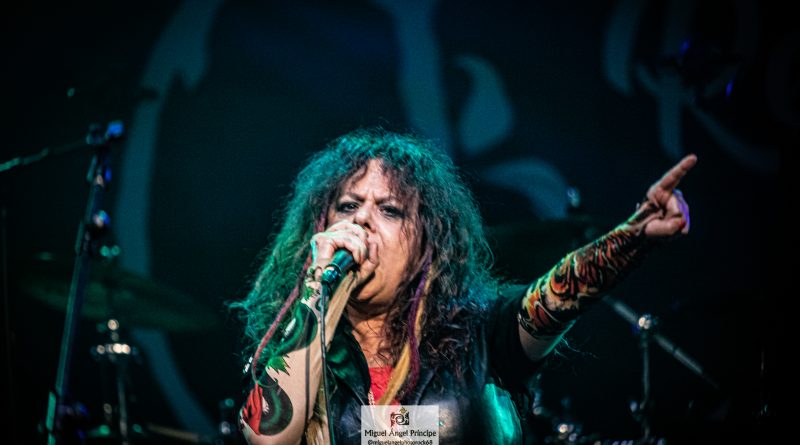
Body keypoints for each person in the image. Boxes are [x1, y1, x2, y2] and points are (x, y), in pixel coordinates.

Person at [229, 128, 696, 445]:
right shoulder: (302, 346)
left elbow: (558, 294)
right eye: (348, 206)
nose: (362, 220)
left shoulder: (483, 331)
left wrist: (631, 238)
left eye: (390, 210)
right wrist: (317, 288)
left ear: (424, 243)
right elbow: (267, 438)